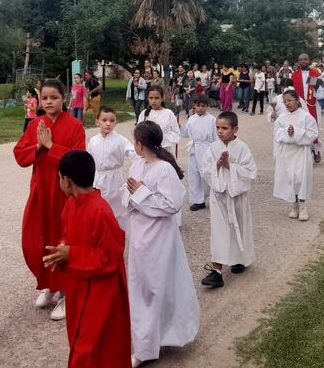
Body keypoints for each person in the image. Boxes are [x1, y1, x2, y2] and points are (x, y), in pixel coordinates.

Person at [43, 150, 132, 368]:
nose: (59, 182)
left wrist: (71, 254)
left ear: (67, 181)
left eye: (59, 177)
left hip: (101, 292)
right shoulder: (72, 203)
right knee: (79, 339)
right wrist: (61, 251)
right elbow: (67, 235)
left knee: (93, 346)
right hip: (79, 283)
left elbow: (110, 257)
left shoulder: (100, 211)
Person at [122, 122, 200, 367]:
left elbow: (171, 205)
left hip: (160, 238)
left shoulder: (164, 169)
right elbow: (127, 195)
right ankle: (146, 339)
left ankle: (151, 344)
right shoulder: (137, 164)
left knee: (157, 288)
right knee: (140, 286)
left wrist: (142, 194)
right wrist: (134, 196)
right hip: (139, 236)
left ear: (140, 144)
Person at [14, 79, 86, 321]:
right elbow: (20, 156)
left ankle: (66, 291)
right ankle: (48, 283)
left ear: (63, 99)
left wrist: (52, 146)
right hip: (41, 190)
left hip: (65, 192)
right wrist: (37, 146)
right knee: (34, 238)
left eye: (54, 97)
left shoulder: (75, 125)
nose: (49, 102)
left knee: (62, 236)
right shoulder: (35, 123)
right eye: (45, 98)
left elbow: (79, 160)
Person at [200, 111, 257, 289]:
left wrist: (230, 166)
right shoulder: (212, 148)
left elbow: (250, 172)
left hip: (237, 196)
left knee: (238, 226)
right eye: (217, 127)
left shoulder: (242, 148)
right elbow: (205, 168)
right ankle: (216, 271)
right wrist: (216, 165)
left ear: (235, 129)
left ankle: (238, 259)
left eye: (224, 128)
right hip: (219, 196)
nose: (220, 131)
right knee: (219, 231)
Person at [273, 90, 319, 221]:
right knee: (290, 178)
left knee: (300, 178)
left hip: (301, 151)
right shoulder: (282, 117)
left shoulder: (306, 116)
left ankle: (303, 205)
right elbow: (276, 131)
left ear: (297, 100)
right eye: (285, 101)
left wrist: (297, 132)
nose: (287, 104)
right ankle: (294, 205)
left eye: (289, 100)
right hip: (287, 151)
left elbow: (313, 133)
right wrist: (286, 132)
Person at [87, 106, 137, 228]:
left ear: (116, 122)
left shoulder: (120, 140)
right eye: (104, 120)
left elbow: (133, 153)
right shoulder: (93, 141)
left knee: (118, 206)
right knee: (100, 205)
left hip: (116, 178)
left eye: (111, 120)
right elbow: (89, 160)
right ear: (97, 121)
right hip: (99, 178)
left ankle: (119, 230)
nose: (108, 124)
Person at [184, 93, 217, 211]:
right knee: (194, 175)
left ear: (207, 106)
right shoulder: (191, 119)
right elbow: (186, 133)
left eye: (203, 106)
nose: (201, 108)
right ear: (194, 106)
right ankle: (198, 200)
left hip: (206, 148)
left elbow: (215, 136)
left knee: (206, 174)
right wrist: (177, 127)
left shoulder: (212, 119)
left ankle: (212, 196)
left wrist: (215, 150)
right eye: (198, 106)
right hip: (194, 148)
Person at [290, 53, 324, 163]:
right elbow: (291, 91)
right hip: (299, 106)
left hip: (312, 105)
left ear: (309, 60)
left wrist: (317, 87)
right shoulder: (294, 75)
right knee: (301, 127)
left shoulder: (315, 73)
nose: (303, 61)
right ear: (298, 61)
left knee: (313, 128)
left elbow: (322, 93)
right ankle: (304, 152)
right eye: (301, 59)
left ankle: (315, 151)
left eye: (305, 59)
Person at [138, 85, 180, 157]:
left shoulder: (168, 113)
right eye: (151, 98)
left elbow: (176, 134)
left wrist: (161, 138)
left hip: (165, 151)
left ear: (162, 98)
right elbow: (139, 132)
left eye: (156, 98)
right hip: (149, 151)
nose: (153, 101)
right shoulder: (144, 114)